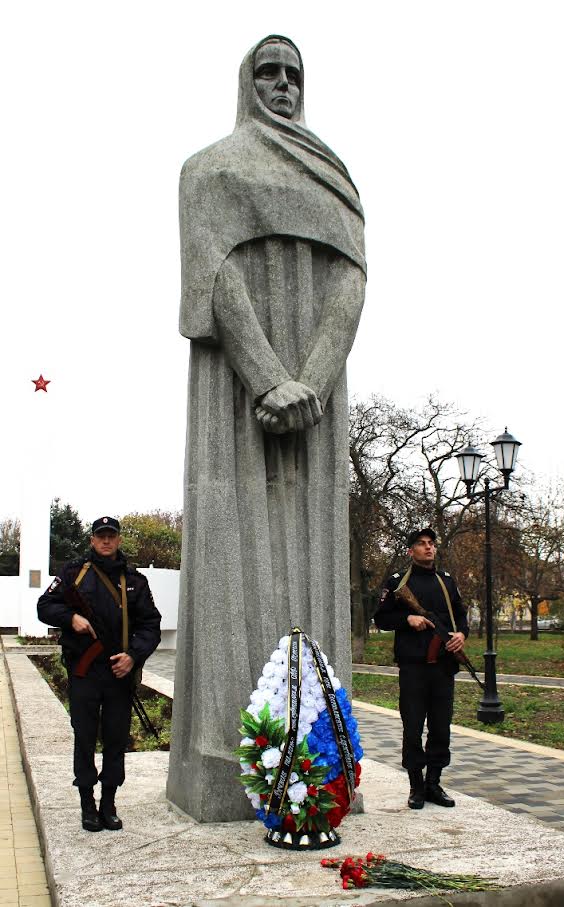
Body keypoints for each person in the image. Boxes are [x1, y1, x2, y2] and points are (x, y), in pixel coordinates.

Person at [168, 35, 366, 820]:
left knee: (313, 554)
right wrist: (267, 377)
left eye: (294, 75)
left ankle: (323, 770)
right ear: (245, 85)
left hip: (316, 400)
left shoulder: (336, 177)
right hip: (235, 402)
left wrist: (311, 382)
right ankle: (224, 760)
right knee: (235, 546)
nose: (282, 86)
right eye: (268, 74)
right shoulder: (208, 169)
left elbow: (351, 277)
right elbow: (212, 276)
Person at [37, 517, 161, 832]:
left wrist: (133, 657)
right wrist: (71, 618)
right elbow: (44, 606)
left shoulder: (134, 580)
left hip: (118, 673)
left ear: (118, 540)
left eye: (111, 536)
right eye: (100, 537)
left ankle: (108, 803)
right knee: (85, 737)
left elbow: (150, 624)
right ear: (92, 540)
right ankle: (87, 804)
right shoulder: (73, 573)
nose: (106, 542)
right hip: (84, 671)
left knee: (116, 739)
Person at [374, 528, 469, 810]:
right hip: (413, 667)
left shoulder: (446, 581)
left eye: (431, 544)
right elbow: (381, 618)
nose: (428, 548)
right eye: (421, 544)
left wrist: (462, 634)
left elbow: (461, 614)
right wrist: (408, 619)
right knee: (413, 727)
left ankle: (434, 783)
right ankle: (416, 785)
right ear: (410, 551)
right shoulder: (397, 583)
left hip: (443, 667)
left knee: (441, 728)